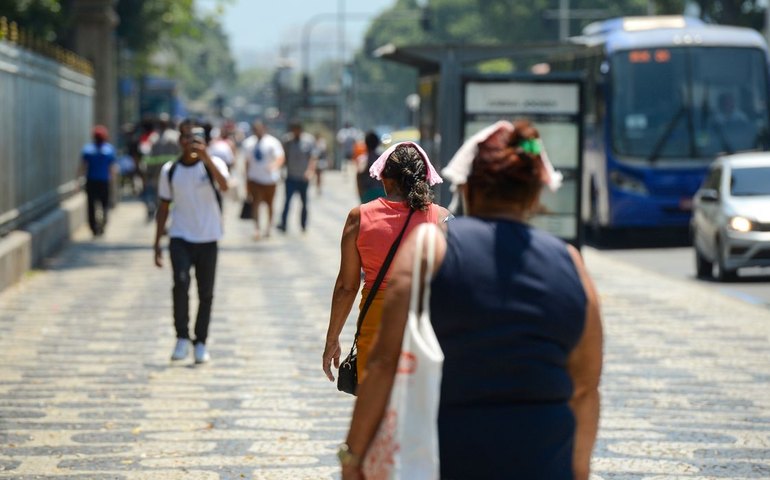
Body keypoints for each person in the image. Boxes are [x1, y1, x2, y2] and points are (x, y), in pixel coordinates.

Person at [339, 120, 603, 480]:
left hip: (450, 453)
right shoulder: (571, 263)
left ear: (467, 186)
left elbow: (385, 363)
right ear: (536, 194)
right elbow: (586, 387)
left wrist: (354, 456)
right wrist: (578, 470)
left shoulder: (430, 250)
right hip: (542, 457)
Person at [323, 141, 449, 386]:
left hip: (376, 326)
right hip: (425, 327)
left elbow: (346, 287)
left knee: (377, 410)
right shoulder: (442, 218)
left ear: (386, 179)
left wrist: (332, 339)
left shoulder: (359, 217)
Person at [153, 119, 230, 364]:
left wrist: (206, 158)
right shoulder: (170, 170)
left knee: (205, 293)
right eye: (186, 137)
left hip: (208, 238)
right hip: (180, 237)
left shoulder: (213, 164)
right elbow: (163, 206)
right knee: (180, 284)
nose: (191, 142)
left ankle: (201, 342)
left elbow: (225, 185)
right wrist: (156, 243)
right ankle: (182, 337)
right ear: (180, 140)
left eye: (196, 138)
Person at [241, 120, 285, 239]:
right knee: (256, 204)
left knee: (270, 205)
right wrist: (246, 179)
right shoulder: (248, 143)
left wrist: (274, 166)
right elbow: (246, 162)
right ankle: (257, 228)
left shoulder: (272, 142)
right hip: (255, 179)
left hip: (269, 180)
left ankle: (268, 227)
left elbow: (280, 157)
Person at [277, 122, 317, 233]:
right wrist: (280, 170)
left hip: (303, 178)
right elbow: (283, 156)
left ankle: (303, 224)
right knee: (287, 202)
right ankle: (283, 224)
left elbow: (312, 158)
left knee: (304, 203)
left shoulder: (308, 140)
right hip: (291, 176)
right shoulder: (287, 141)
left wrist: (310, 171)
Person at [79, 125, 117, 237]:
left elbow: (83, 166)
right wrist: (113, 180)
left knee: (91, 205)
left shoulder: (88, 150)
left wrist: (78, 180)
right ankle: (103, 221)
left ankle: (94, 227)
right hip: (104, 181)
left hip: (91, 181)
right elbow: (112, 167)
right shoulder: (109, 149)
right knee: (104, 204)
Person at [144, 116, 180, 220]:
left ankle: (171, 218)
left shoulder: (174, 136)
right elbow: (149, 157)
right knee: (160, 198)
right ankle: (162, 219)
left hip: (173, 173)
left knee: (173, 197)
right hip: (158, 174)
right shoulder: (154, 138)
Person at [356, 131, 386, 203]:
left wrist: (361, 197)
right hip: (382, 194)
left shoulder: (362, 159)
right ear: (377, 143)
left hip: (367, 195)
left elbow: (359, 176)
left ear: (365, 143)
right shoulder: (382, 158)